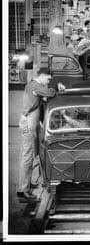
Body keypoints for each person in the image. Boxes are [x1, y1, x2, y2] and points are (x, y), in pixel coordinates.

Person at [17, 68, 65, 200]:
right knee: (27, 157)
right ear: (43, 76)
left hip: (32, 122)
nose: (48, 81)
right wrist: (56, 87)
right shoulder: (35, 86)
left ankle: (27, 184)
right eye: (48, 79)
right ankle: (23, 190)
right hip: (29, 123)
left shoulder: (33, 85)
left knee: (33, 154)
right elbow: (50, 93)